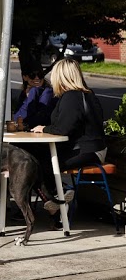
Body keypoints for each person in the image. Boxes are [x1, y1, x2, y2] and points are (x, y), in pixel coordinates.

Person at [28, 58, 106, 214]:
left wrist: (44, 129)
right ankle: (56, 201)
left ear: (61, 76)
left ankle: (57, 197)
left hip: (86, 151)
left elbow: (62, 128)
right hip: (93, 149)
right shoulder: (86, 94)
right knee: (39, 159)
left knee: (36, 163)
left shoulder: (72, 96)